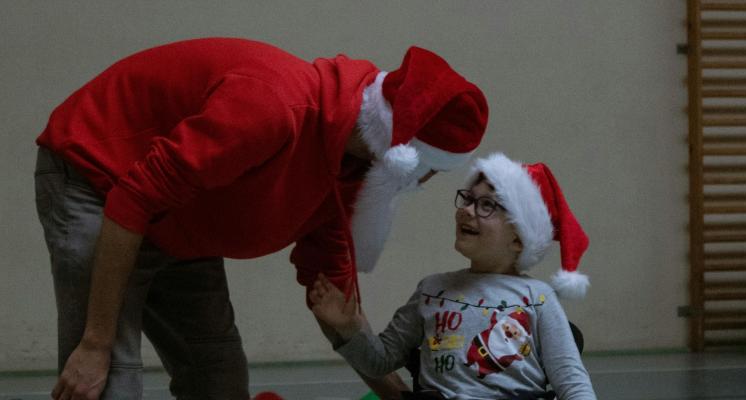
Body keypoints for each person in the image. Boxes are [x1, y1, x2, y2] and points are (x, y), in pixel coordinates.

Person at [34, 37, 489, 400]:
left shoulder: (349, 173)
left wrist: (395, 395)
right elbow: (132, 199)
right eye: (434, 170)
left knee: (218, 379)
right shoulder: (273, 108)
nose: (426, 182)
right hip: (99, 179)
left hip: (182, 222)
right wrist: (95, 344)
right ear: (404, 154)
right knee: (104, 379)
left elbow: (335, 302)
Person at [310, 152, 596, 399]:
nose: (467, 211)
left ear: (520, 238)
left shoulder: (538, 298)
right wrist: (349, 329)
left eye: (487, 205)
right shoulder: (432, 291)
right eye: (468, 199)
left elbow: (572, 383)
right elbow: (379, 361)